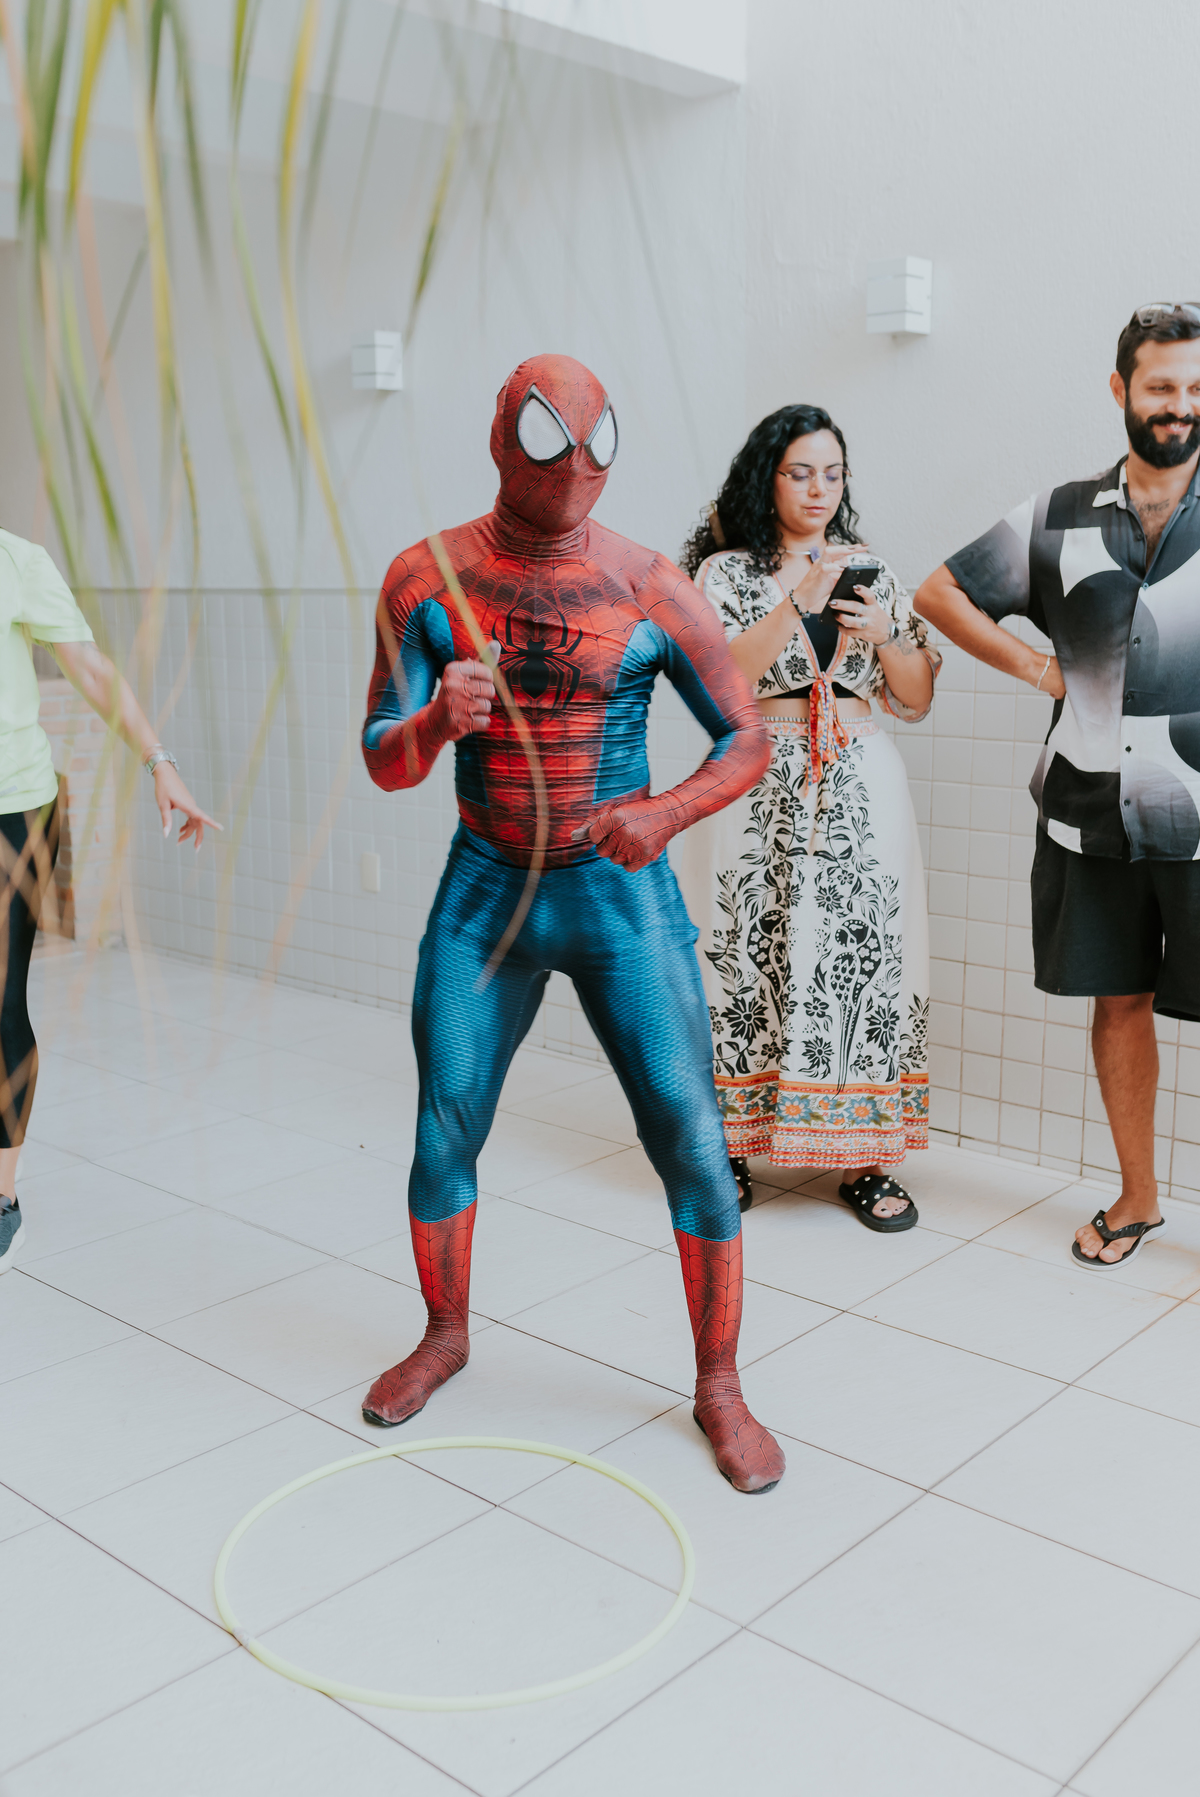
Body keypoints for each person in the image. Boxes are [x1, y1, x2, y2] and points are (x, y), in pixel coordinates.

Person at [360, 352, 786, 1494]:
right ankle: (445, 1335)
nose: (572, 465)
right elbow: (380, 760)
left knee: (692, 1142)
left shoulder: (650, 583)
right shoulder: (425, 578)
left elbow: (747, 736)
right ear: (500, 437)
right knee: (442, 1128)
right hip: (486, 889)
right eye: (547, 436)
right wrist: (436, 725)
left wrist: (665, 811)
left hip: (617, 893)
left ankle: (722, 1385)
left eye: (593, 441)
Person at [916, 304, 1200, 1269]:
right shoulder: (1057, 514)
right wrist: (1042, 672)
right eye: (1163, 386)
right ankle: (1137, 1196)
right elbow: (939, 592)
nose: (1182, 405)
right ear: (1122, 390)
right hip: (1090, 814)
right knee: (1117, 1003)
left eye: (1197, 388)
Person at [675, 406, 940, 1229]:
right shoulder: (724, 574)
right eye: (800, 472)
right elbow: (712, 679)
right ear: (768, 478)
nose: (819, 489)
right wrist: (796, 596)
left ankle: (864, 1159)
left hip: (861, 778)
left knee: (860, 958)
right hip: (759, 777)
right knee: (745, 950)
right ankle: (726, 1150)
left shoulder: (872, 567)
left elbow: (915, 698)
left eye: (832, 472)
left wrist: (889, 633)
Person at [0, 529, 218, 1273]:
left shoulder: (16, 561)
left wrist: (159, 761)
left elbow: (89, 668)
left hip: (12, 813)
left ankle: (2, 1200)